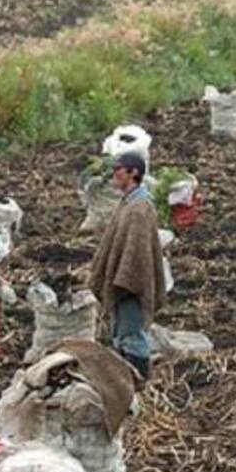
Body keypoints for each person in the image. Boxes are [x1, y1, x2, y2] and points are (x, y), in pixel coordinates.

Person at [89, 152, 167, 380]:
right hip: (123, 279)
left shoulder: (139, 208)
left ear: (133, 173)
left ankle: (139, 379)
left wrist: (126, 279)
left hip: (131, 283)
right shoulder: (128, 202)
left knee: (132, 335)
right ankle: (127, 380)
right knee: (122, 333)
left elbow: (138, 253)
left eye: (118, 169)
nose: (114, 174)